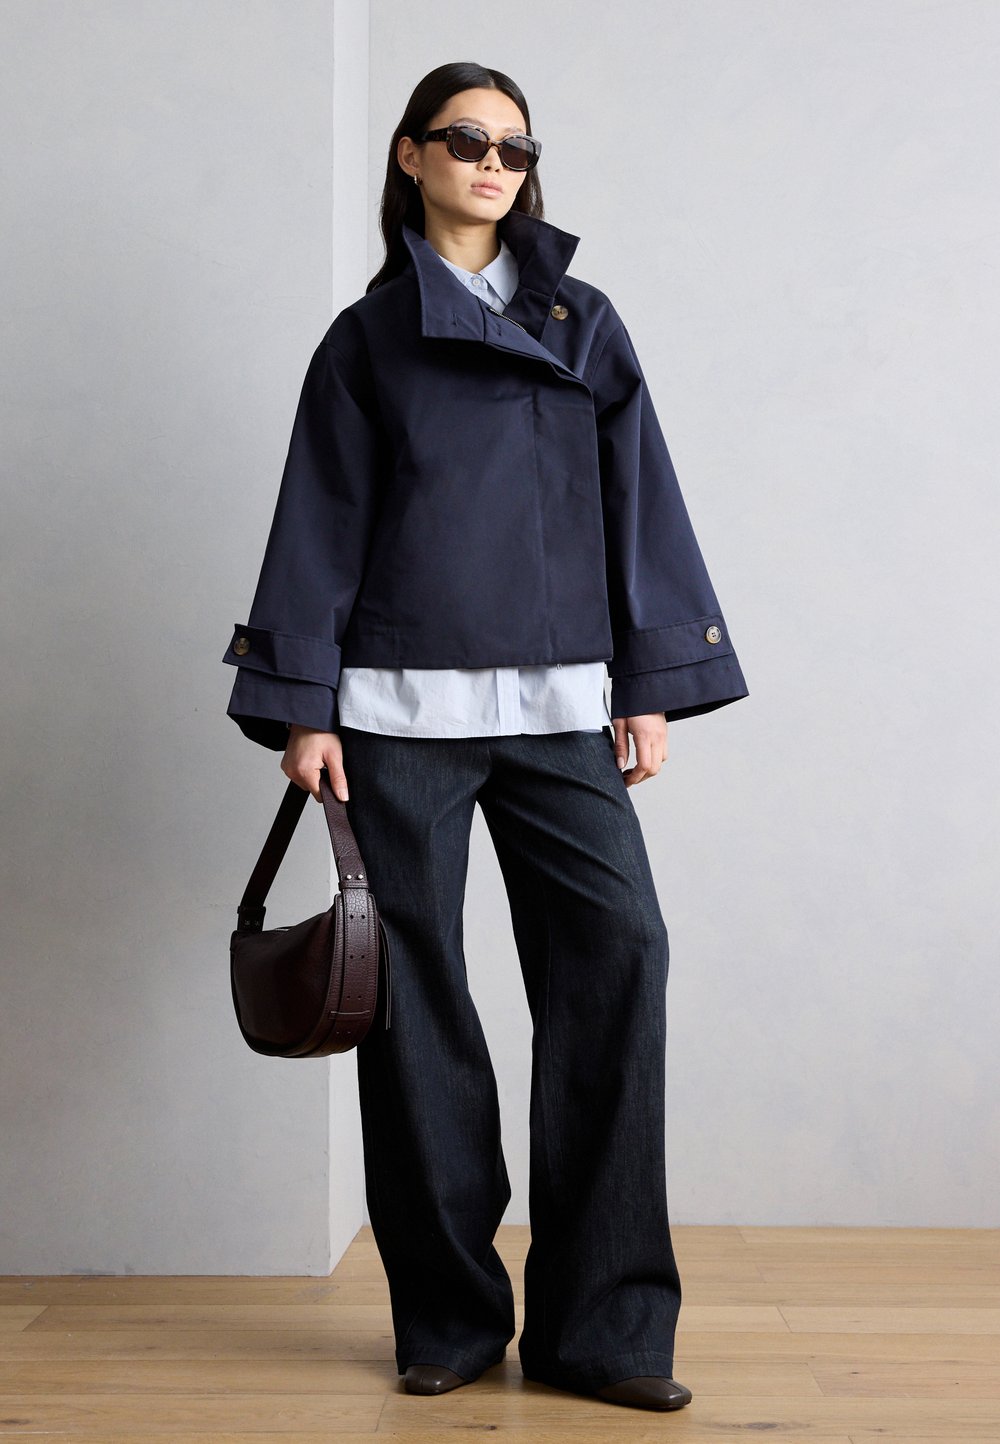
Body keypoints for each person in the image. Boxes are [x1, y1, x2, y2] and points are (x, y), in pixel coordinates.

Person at [223, 61, 748, 1413]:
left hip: (565, 709)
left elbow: (640, 499)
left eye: (515, 146)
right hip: (400, 716)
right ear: (411, 156)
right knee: (414, 1011)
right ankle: (449, 1318)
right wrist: (305, 707)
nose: (495, 164)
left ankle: (605, 1329)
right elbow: (319, 519)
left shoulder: (584, 321)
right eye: (467, 140)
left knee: (621, 957)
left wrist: (650, 680)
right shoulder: (367, 339)